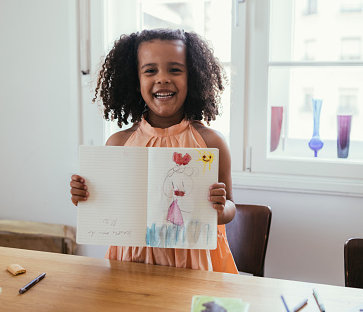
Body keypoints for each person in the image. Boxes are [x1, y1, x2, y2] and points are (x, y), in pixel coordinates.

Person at [70, 28, 238, 274]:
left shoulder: (211, 142)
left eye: (175, 69)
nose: (162, 78)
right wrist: (84, 197)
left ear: (193, 77)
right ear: (135, 80)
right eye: (150, 70)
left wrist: (222, 209)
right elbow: (107, 206)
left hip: (193, 264)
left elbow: (232, 207)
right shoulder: (118, 143)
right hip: (131, 262)